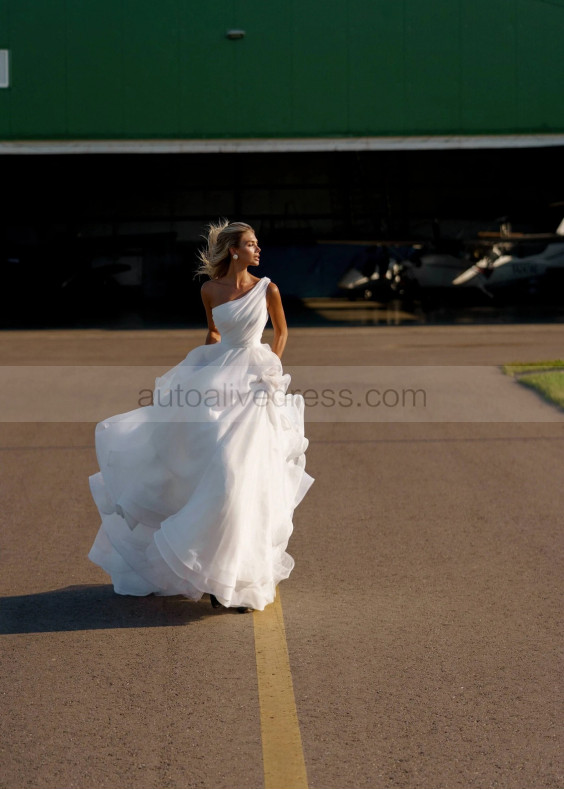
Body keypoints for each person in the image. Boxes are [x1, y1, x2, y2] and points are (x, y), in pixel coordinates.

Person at [88, 220, 314, 613]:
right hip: (217, 381)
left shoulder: (268, 288)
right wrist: (197, 371)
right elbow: (213, 333)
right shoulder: (210, 290)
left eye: (257, 244)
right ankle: (209, 568)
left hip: (257, 383)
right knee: (217, 472)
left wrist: (272, 368)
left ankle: (238, 578)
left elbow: (280, 332)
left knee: (244, 480)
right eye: (250, 244)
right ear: (233, 251)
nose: (258, 250)